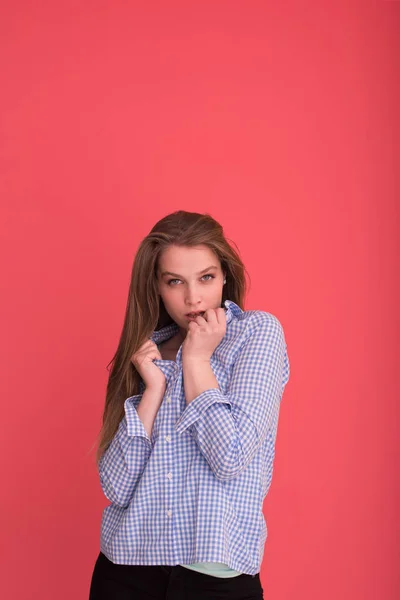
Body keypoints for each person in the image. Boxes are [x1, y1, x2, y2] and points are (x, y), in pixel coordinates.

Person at [89, 210, 290, 599]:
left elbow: (230, 457)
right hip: (125, 573)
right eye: (175, 281)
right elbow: (115, 487)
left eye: (206, 277)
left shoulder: (256, 334)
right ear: (158, 287)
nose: (193, 297)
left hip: (214, 580)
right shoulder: (146, 352)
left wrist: (197, 360)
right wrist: (152, 391)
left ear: (226, 275)